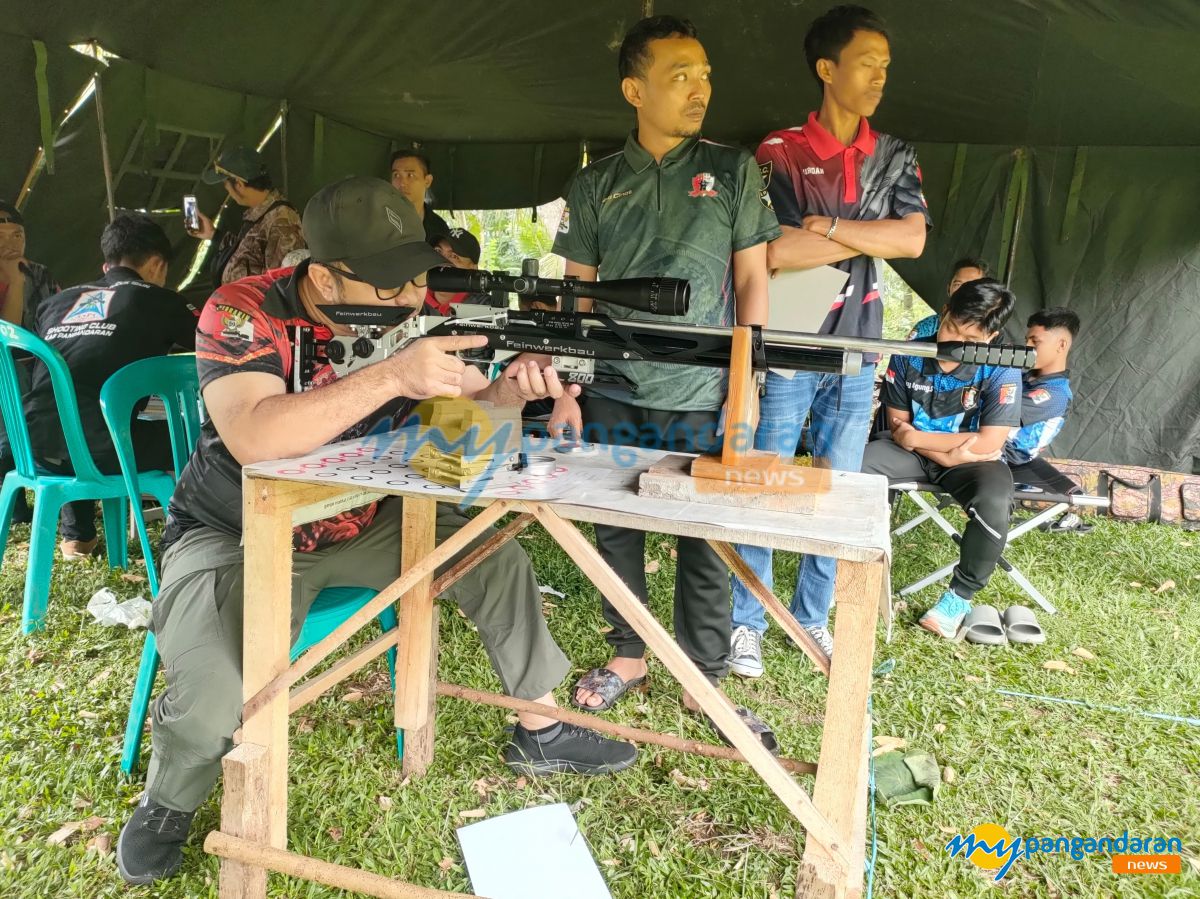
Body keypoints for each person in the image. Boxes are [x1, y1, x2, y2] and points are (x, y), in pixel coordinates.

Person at [115, 177, 637, 886]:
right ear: (324, 276)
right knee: (213, 695)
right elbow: (256, 437)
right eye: (388, 288)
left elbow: (449, 448)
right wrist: (393, 374)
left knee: (491, 553)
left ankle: (539, 726)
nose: (410, 300)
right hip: (236, 529)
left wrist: (506, 393)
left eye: (415, 279)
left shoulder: (419, 317)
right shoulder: (242, 310)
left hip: (363, 515)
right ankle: (168, 803)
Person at [547, 16, 781, 746]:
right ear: (633, 88)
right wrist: (565, 390)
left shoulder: (735, 170)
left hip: (705, 390)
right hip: (613, 386)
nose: (699, 89)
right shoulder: (594, 184)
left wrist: (748, 381)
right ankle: (628, 649)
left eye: (705, 74)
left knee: (705, 535)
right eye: (680, 75)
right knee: (614, 526)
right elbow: (575, 297)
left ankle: (701, 672)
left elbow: (752, 281)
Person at [729, 5, 930, 678]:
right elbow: (775, 249)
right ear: (827, 68)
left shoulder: (896, 152)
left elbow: (912, 239)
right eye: (867, 62)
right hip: (787, 341)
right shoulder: (778, 150)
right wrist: (860, 230)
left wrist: (833, 227)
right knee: (765, 481)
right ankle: (746, 621)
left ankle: (811, 616)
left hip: (857, 349)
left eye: (886, 66)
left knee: (836, 487)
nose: (880, 76)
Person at [22, 213, 197, 559]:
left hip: (31, 445)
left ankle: (77, 536)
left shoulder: (56, 302)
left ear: (106, 265)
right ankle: (204, 533)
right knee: (202, 438)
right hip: (104, 448)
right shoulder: (159, 300)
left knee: (75, 408)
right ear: (157, 265)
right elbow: (214, 344)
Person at [863, 278, 1021, 639]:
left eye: (972, 341)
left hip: (971, 462)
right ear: (944, 312)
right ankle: (849, 574)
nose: (956, 345)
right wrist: (941, 451)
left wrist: (919, 437)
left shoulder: (1002, 367)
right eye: (951, 329)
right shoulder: (910, 354)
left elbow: (990, 441)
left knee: (995, 500)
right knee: (855, 470)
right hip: (911, 454)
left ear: (991, 341)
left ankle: (958, 598)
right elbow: (897, 423)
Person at [0, 200, 59, 524]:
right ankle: (13, 494)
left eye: (17, 235)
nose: (11, 243)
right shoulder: (20, 276)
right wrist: (14, 282)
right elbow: (5, 336)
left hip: (34, 362)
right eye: (2, 236)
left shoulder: (38, 273)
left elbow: (52, 321)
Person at [1005, 308, 1089, 532]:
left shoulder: (1055, 393)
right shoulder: (1024, 377)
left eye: (1035, 341)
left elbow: (1000, 414)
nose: (1028, 347)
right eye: (1027, 340)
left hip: (1006, 460)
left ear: (1061, 345)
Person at [187, 145, 305, 287]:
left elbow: (282, 285)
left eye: (226, 184)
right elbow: (248, 254)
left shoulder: (282, 221)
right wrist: (213, 234)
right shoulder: (261, 213)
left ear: (239, 184)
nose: (227, 190)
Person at [907, 257, 989, 340]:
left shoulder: (989, 330)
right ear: (948, 289)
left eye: (973, 286)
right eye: (958, 285)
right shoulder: (927, 327)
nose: (965, 292)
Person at [389, 150, 452, 244]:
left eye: (410, 175)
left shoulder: (439, 228)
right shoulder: (379, 221)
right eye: (396, 175)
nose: (402, 183)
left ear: (427, 181)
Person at [425, 227, 486, 314]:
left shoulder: (484, 308)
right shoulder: (412, 298)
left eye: (454, 256)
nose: (442, 261)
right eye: (438, 251)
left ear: (473, 269)